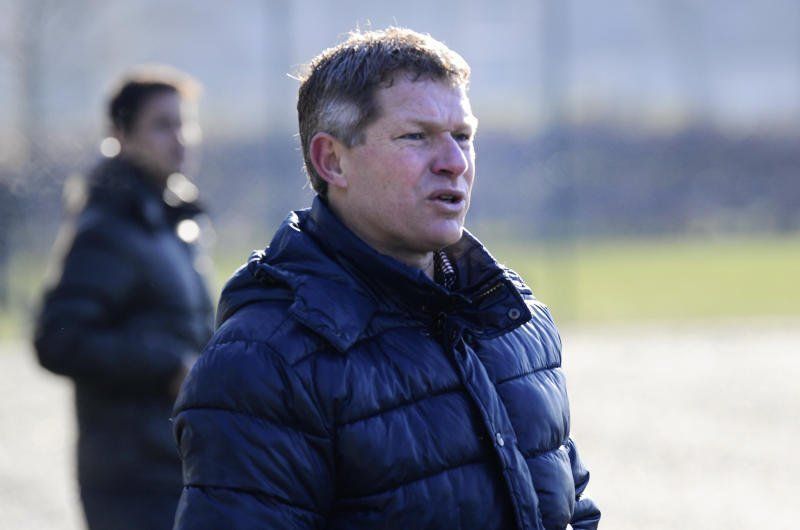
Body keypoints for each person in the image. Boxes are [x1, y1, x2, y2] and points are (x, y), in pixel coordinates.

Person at [173, 28, 600, 530]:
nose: (454, 163)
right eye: (416, 137)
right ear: (332, 160)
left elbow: (571, 511)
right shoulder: (263, 365)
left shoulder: (513, 322)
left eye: (463, 137)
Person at [34, 66, 214, 530]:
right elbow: (58, 340)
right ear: (120, 135)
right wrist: (168, 364)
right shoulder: (107, 229)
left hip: (179, 463)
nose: (180, 138)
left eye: (185, 123)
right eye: (162, 125)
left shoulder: (173, 222)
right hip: (132, 480)